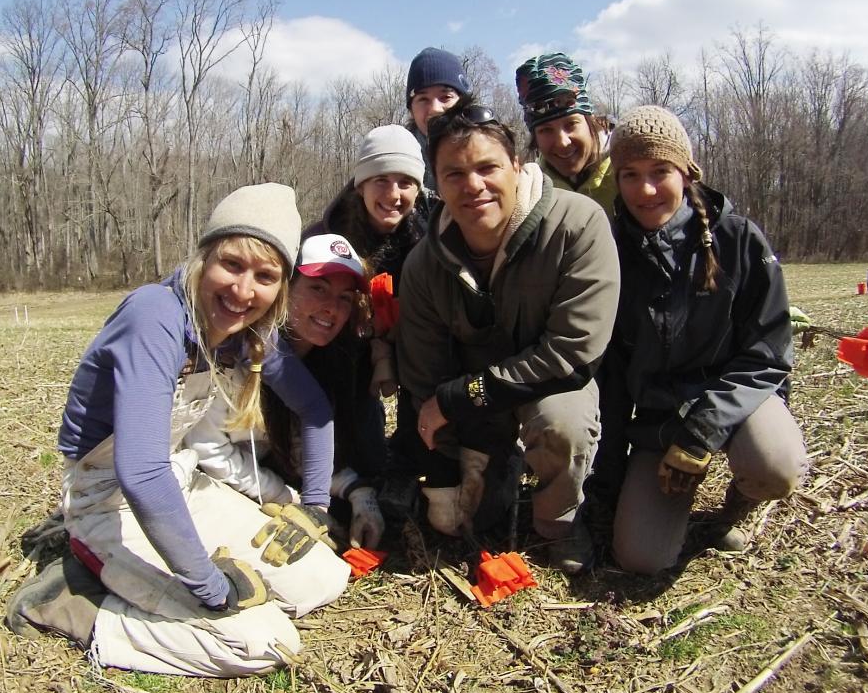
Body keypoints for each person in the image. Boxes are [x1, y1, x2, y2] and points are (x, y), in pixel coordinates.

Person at [7, 184, 350, 677]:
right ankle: (74, 603)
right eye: (232, 264)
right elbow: (141, 472)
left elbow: (314, 408)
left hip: (183, 480)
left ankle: (158, 579)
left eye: (266, 276)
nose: (244, 290)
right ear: (204, 256)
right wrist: (208, 584)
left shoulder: (248, 331)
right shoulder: (155, 316)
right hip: (107, 500)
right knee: (265, 642)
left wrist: (314, 508)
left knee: (323, 577)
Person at [396, 99, 621, 573]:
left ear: (517, 167)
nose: (473, 185)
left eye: (487, 167)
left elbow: (572, 351)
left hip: (552, 383)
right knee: (458, 521)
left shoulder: (578, 224)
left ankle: (559, 521)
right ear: (437, 183)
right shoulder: (422, 264)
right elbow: (423, 374)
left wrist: (462, 397)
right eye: (454, 174)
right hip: (476, 403)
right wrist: (441, 461)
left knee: (563, 424)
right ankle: (496, 469)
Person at [605, 106, 809, 575]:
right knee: (641, 559)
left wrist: (702, 433)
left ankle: (730, 510)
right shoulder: (611, 252)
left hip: (740, 402)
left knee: (774, 466)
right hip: (661, 422)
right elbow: (612, 376)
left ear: (687, 172)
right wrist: (610, 475)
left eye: (661, 171)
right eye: (630, 175)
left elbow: (768, 354)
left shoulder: (738, 239)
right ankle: (671, 493)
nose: (646, 189)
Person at [305, 125, 431, 520]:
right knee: (368, 461)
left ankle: (414, 457)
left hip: (412, 347)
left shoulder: (434, 234)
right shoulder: (324, 237)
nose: (394, 195)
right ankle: (333, 457)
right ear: (360, 185)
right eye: (381, 180)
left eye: (406, 182)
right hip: (344, 353)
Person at [250, 234, 387, 550]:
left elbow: (302, 455)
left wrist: (359, 492)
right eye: (318, 288)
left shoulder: (333, 361)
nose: (332, 308)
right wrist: (289, 499)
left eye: (345, 298)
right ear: (286, 287)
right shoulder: (249, 352)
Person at [515, 53, 616, 212]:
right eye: (546, 130)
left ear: (590, 121)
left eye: (571, 124)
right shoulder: (532, 193)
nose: (562, 142)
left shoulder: (627, 170)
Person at [405, 47, 472, 188]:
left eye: (445, 97)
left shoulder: (488, 147)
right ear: (411, 109)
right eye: (423, 99)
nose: (435, 108)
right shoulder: (397, 158)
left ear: (463, 102)